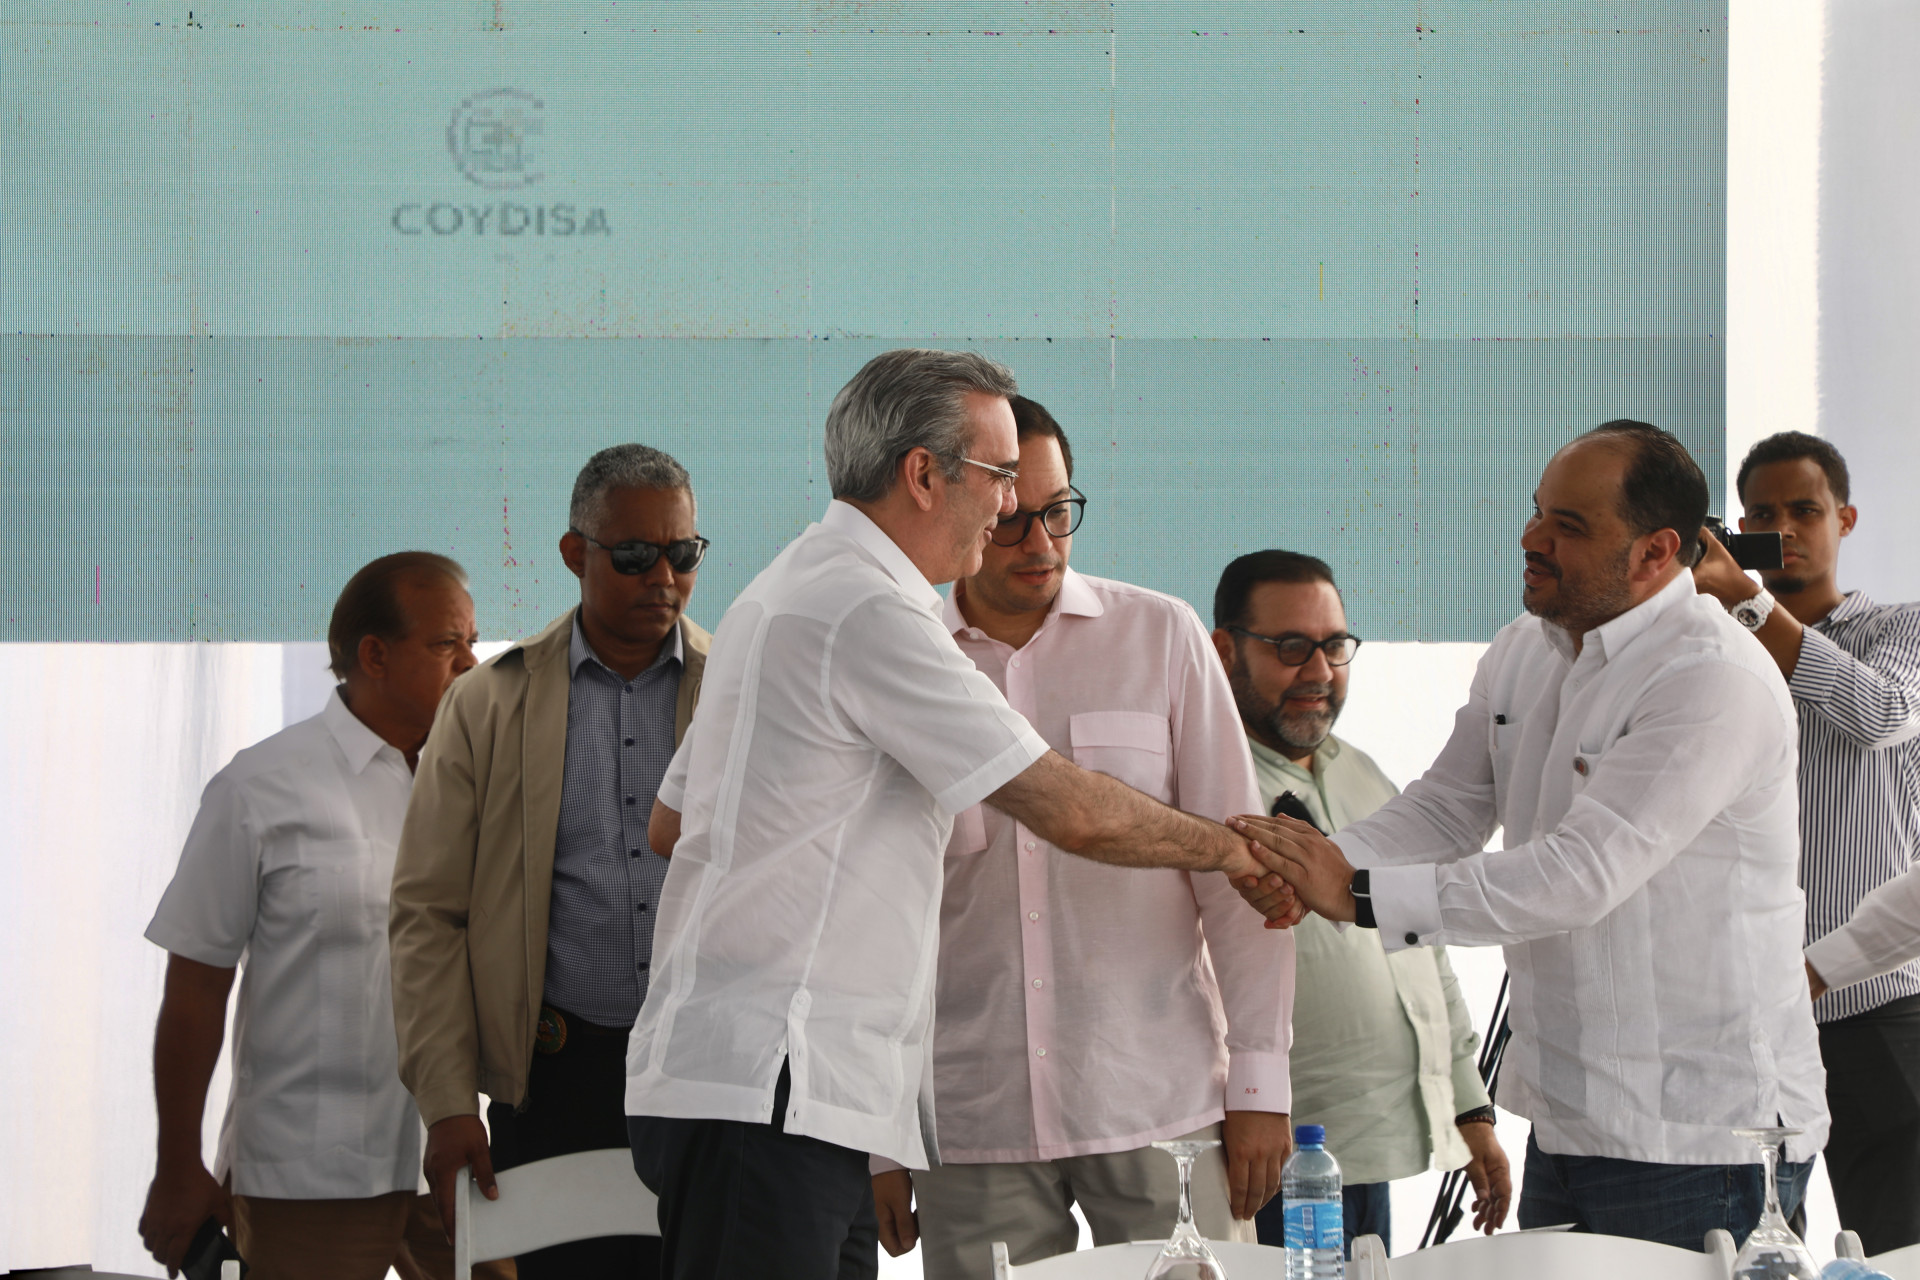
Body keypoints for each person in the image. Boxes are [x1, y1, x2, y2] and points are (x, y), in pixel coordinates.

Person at [624, 349, 1290, 1280]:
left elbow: (672, 823)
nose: (1012, 507)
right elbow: (1067, 809)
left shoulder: (786, 588)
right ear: (923, 475)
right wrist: (1234, 849)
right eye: (1000, 477)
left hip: (795, 1087)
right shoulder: (870, 612)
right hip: (778, 1084)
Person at [1232, 420, 1829, 1250]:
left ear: (1656, 552)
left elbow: (1579, 876)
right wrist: (1318, 864)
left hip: (1702, 1139)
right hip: (1567, 1118)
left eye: (1568, 526)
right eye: (1537, 511)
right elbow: (1448, 806)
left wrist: (1357, 893)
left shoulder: (1712, 677)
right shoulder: (1524, 649)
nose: (1531, 538)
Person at [866, 397, 1296, 1280]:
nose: (1041, 543)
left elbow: (1240, 870)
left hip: (1161, 1105)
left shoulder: (1162, 636)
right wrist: (880, 1133)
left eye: (1059, 511)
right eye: (1012, 517)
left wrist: (1260, 1082)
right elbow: (875, 916)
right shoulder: (902, 657)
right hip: (972, 1113)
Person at [389, 445, 712, 1279]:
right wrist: (448, 1103)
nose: (663, 579)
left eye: (682, 554)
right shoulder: (488, 703)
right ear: (575, 553)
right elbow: (429, 917)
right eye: (634, 556)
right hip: (558, 1077)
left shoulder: (738, 690)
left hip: (711, 1076)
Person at [139, 553, 485, 1280]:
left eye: (472, 642)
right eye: (446, 644)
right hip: (307, 1175)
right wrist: (177, 1164)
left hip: (454, 1159)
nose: (470, 663)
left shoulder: (478, 782)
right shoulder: (259, 788)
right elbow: (195, 987)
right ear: (374, 655)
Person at [1211, 549, 1510, 1255]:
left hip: (1369, 1145)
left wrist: (1470, 1109)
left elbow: (1422, 939)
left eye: (1335, 646)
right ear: (1224, 651)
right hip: (1266, 1152)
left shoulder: (1363, 774)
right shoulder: (1205, 786)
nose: (1319, 671)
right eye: (1291, 647)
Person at [1693, 431, 1920, 1254]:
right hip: (1744, 1007)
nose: (1783, 529)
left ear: (1845, 518)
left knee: (1898, 1246)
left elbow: (1881, 714)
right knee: (1757, 1248)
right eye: (1762, 515)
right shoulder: (1712, 646)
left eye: (1804, 510)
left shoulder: (1902, 629)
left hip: (1875, 1002)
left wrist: (1749, 604)